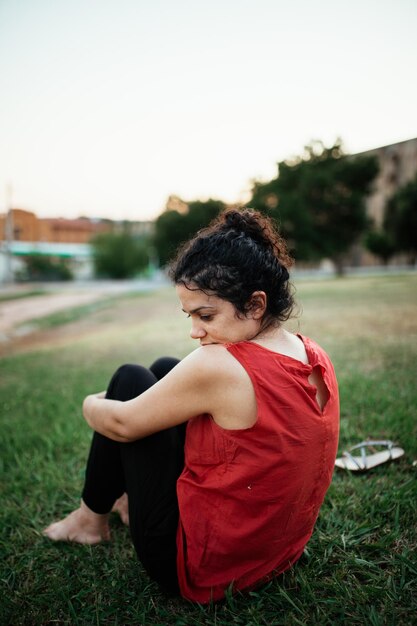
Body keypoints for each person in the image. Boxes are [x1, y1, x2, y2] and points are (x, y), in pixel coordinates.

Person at [43, 209, 340, 604]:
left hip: (202, 569)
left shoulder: (220, 365)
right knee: (166, 368)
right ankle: (125, 499)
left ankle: (88, 522)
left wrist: (91, 402)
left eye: (206, 315)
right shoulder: (310, 351)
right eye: (191, 315)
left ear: (255, 305)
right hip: (274, 556)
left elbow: (121, 423)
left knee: (130, 379)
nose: (195, 330)